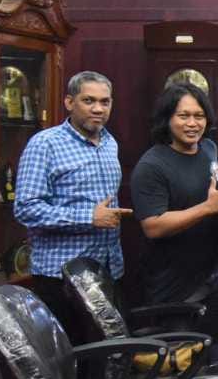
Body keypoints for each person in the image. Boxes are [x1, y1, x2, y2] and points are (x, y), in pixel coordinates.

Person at [14, 71, 131, 341]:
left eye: (105, 102)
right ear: (69, 102)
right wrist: (88, 216)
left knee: (108, 355)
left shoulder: (109, 143)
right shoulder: (45, 144)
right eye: (89, 100)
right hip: (61, 279)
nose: (98, 109)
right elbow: (25, 208)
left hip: (106, 271)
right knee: (74, 357)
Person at [130, 84, 218, 341]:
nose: (192, 123)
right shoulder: (151, 165)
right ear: (167, 119)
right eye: (183, 116)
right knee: (184, 357)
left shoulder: (209, 148)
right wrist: (208, 208)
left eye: (199, 116)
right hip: (175, 286)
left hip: (213, 275)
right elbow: (153, 226)